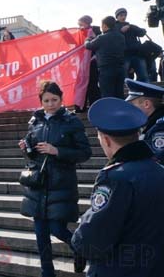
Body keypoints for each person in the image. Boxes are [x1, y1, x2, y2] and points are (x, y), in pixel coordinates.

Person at [72, 97, 164, 277]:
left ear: (106, 140)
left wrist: (78, 242)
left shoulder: (115, 177)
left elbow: (95, 236)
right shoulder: (159, 170)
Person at [18, 81, 92, 277]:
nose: (50, 104)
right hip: (38, 184)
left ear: (61, 99)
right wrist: (27, 149)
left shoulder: (71, 121)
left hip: (61, 183)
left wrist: (57, 150)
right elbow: (33, 155)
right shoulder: (35, 121)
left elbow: (85, 152)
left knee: (57, 228)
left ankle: (80, 249)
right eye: (46, 100)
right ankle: (47, 273)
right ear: (40, 101)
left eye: (54, 100)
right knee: (41, 235)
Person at [84, 16, 126, 99]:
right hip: (120, 69)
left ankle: (109, 111)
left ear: (105, 26)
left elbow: (89, 46)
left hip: (106, 69)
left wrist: (87, 40)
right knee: (119, 93)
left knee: (107, 94)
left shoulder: (102, 38)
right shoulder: (121, 37)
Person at [124, 79, 164, 161]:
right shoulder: (151, 123)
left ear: (146, 104)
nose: (130, 109)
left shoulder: (160, 128)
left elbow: (157, 162)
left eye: (132, 104)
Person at [114, 8, 148, 82]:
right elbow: (111, 37)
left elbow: (143, 32)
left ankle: (145, 92)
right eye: (121, 15)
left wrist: (130, 27)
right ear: (117, 17)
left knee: (143, 76)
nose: (123, 17)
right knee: (124, 77)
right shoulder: (114, 27)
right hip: (123, 55)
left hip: (137, 54)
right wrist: (120, 31)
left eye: (125, 15)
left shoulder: (131, 26)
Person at [78, 15, 101, 110]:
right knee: (82, 84)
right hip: (83, 63)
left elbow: (99, 43)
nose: (79, 25)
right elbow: (71, 41)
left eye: (80, 23)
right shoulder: (79, 32)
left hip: (93, 61)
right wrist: (64, 33)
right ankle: (81, 106)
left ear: (86, 22)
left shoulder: (96, 31)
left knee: (92, 83)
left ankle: (94, 105)